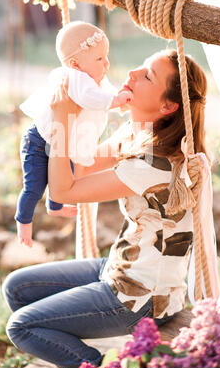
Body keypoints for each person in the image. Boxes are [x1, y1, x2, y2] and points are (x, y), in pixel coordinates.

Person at [2, 48, 210, 368]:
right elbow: (80, 166)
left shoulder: (156, 164)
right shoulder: (138, 134)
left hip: (138, 298)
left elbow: (63, 188)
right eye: (140, 67)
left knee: (21, 326)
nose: (131, 75)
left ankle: (99, 367)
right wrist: (76, 106)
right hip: (120, 267)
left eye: (146, 76)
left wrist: (62, 119)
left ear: (168, 106)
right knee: (17, 288)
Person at [15, 21, 133, 247]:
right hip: (38, 142)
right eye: (99, 59)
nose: (106, 63)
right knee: (35, 186)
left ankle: (55, 206)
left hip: (63, 140)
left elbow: (106, 93)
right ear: (75, 63)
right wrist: (115, 101)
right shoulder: (75, 77)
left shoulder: (94, 78)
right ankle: (23, 222)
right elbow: (90, 99)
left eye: (106, 56)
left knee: (64, 175)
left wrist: (119, 102)